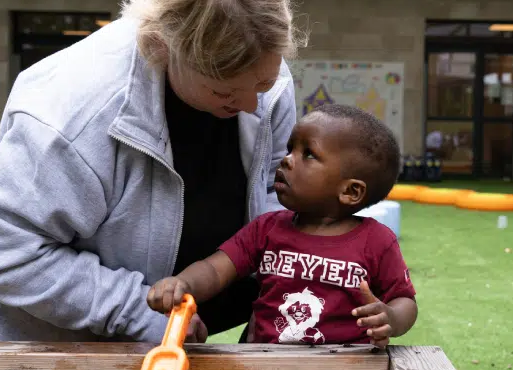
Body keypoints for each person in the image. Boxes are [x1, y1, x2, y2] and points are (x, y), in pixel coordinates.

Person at [0, 0, 305, 344]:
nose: (251, 104)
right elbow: (1, 249)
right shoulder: (74, 114)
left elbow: (272, 185)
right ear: (166, 48)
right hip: (60, 348)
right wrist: (137, 311)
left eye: (262, 83)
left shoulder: (267, 77)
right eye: (224, 93)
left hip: (182, 324)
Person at [147, 104, 418, 348]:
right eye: (291, 148)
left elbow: (405, 301)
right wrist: (182, 283)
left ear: (350, 191)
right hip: (264, 369)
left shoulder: (377, 241)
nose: (287, 159)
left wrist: (391, 318)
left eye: (308, 154)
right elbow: (215, 270)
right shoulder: (266, 229)